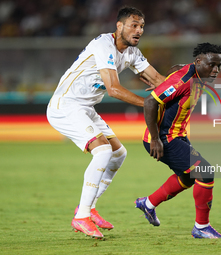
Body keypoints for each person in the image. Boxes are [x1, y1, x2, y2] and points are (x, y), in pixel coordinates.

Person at [46, 6, 165, 239]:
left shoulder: (132, 52)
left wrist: (183, 91)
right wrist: (149, 104)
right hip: (66, 105)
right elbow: (113, 89)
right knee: (101, 151)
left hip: (85, 108)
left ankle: (88, 209)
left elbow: (158, 79)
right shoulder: (103, 45)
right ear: (119, 26)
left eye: (141, 26)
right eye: (133, 25)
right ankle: (81, 217)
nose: (139, 30)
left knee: (118, 153)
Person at [135, 43, 221, 239]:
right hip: (164, 138)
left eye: (219, 66)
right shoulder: (184, 80)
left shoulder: (197, 72)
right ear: (199, 62)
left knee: (188, 177)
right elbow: (150, 102)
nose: (216, 70)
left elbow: (175, 69)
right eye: (212, 65)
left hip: (178, 135)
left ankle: (148, 204)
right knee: (205, 172)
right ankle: (201, 228)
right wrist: (155, 139)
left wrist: (164, 85)